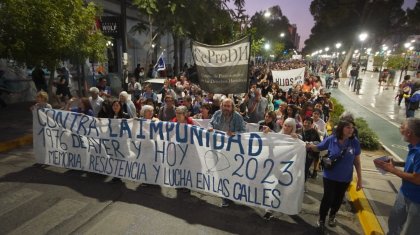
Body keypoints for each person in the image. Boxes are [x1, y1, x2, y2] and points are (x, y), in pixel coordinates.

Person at [307, 120, 362, 234]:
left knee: (338, 199)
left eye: (352, 127)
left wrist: (360, 179)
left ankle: (332, 216)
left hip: (345, 178)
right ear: (342, 128)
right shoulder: (332, 139)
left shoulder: (354, 142)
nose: (351, 130)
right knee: (328, 198)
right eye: (348, 127)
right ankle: (322, 219)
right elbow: (318, 148)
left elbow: (357, 162)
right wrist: (308, 145)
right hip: (329, 176)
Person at [374, 118, 420, 235]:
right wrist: (396, 164)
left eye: (402, 127)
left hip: (416, 201)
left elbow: (417, 178)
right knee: (394, 222)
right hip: (404, 193)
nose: (400, 129)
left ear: (409, 132)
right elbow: (414, 166)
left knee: (410, 230)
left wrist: (392, 170)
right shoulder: (414, 147)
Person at [208, 98, 246, 207]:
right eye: (224, 105)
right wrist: (210, 127)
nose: (226, 108)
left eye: (228, 106)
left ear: (232, 107)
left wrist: (234, 133)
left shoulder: (237, 117)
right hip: (218, 148)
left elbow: (244, 132)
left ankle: (228, 196)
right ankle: (224, 195)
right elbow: (210, 123)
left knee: (228, 173)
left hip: (231, 150)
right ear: (221, 106)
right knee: (220, 172)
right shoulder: (217, 113)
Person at [302, 117, 321, 182]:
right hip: (299, 153)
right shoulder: (298, 130)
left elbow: (319, 142)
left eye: (309, 123)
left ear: (312, 124)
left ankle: (302, 184)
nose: (306, 124)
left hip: (309, 154)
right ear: (303, 122)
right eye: (305, 122)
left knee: (305, 169)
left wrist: (311, 143)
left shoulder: (314, 132)